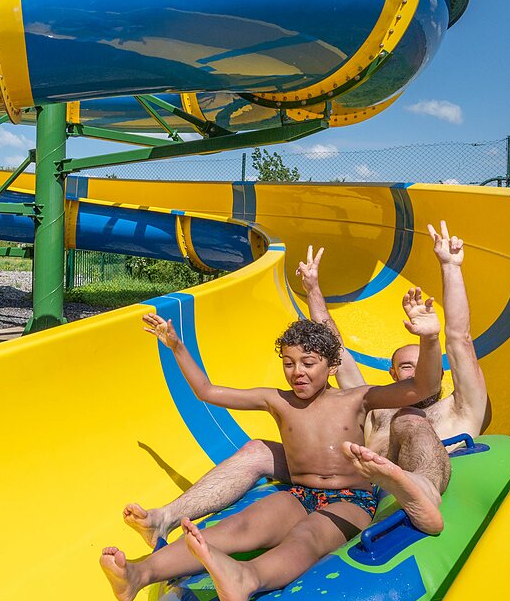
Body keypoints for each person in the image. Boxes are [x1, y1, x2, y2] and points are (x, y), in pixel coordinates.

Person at [122, 221, 487, 541]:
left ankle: (421, 492)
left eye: (420, 365)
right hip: (338, 474)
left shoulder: (458, 409)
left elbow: (460, 340)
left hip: (385, 488)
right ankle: (167, 516)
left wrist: (450, 268)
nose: (412, 371)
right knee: (258, 450)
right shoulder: (377, 406)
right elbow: (333, 350)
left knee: (412, 419)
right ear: (392, 374)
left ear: (439, 370)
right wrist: (312, 289)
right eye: (403, 367)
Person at [100, 295, 442, 601]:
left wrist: (428, 338)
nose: (298, 372)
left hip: (351, 501)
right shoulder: (277, 400)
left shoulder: (357, 399)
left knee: (305, 537)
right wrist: (177, 346)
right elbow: (206, 391)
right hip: (299, 493)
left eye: (309, 363)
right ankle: (139, 574)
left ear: (333, 366)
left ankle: (246, 578)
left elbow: (422, 387)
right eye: (289, 363)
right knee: (239, 525)